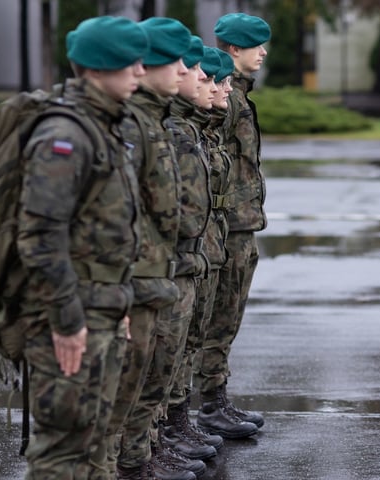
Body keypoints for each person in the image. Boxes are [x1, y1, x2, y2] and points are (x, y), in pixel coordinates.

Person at [14, 16, 146, 479]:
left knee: (94, 442)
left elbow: (106, 232)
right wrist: (67, 321)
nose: (140, 72)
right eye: (130, 62)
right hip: (69, 319)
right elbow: (41, 236)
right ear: (99, 67)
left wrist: (120, 300)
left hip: (101, 310)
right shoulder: (64, 137)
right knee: (61, 450)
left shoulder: (104, 126)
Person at [106, 17, 201, 480]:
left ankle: (138, 457)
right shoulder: (131, 124)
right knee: (127, 385)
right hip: (135, 279)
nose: (189, 72)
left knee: (151, 375)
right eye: (179, 62)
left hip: (156, 273)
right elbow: (118, 211)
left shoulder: (153, 119)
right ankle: (130, 461)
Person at [195, 12, 271, 438]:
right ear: (234, 49)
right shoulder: (226, 97)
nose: (262, 53)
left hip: (240, 224)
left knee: (226, 317)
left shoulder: (238, 94)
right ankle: (208, 405)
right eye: (256, 45)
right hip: (227, 227)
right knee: (217, 319)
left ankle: (215, 400)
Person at [162, 41, 227, 459]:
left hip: (197, 251)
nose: (215, 87)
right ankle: (147, 448)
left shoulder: (189, 128)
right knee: (160, 360)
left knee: (183, 348)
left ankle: (163, 435)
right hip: (164, 264)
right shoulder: (166, 130)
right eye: (205, 76)